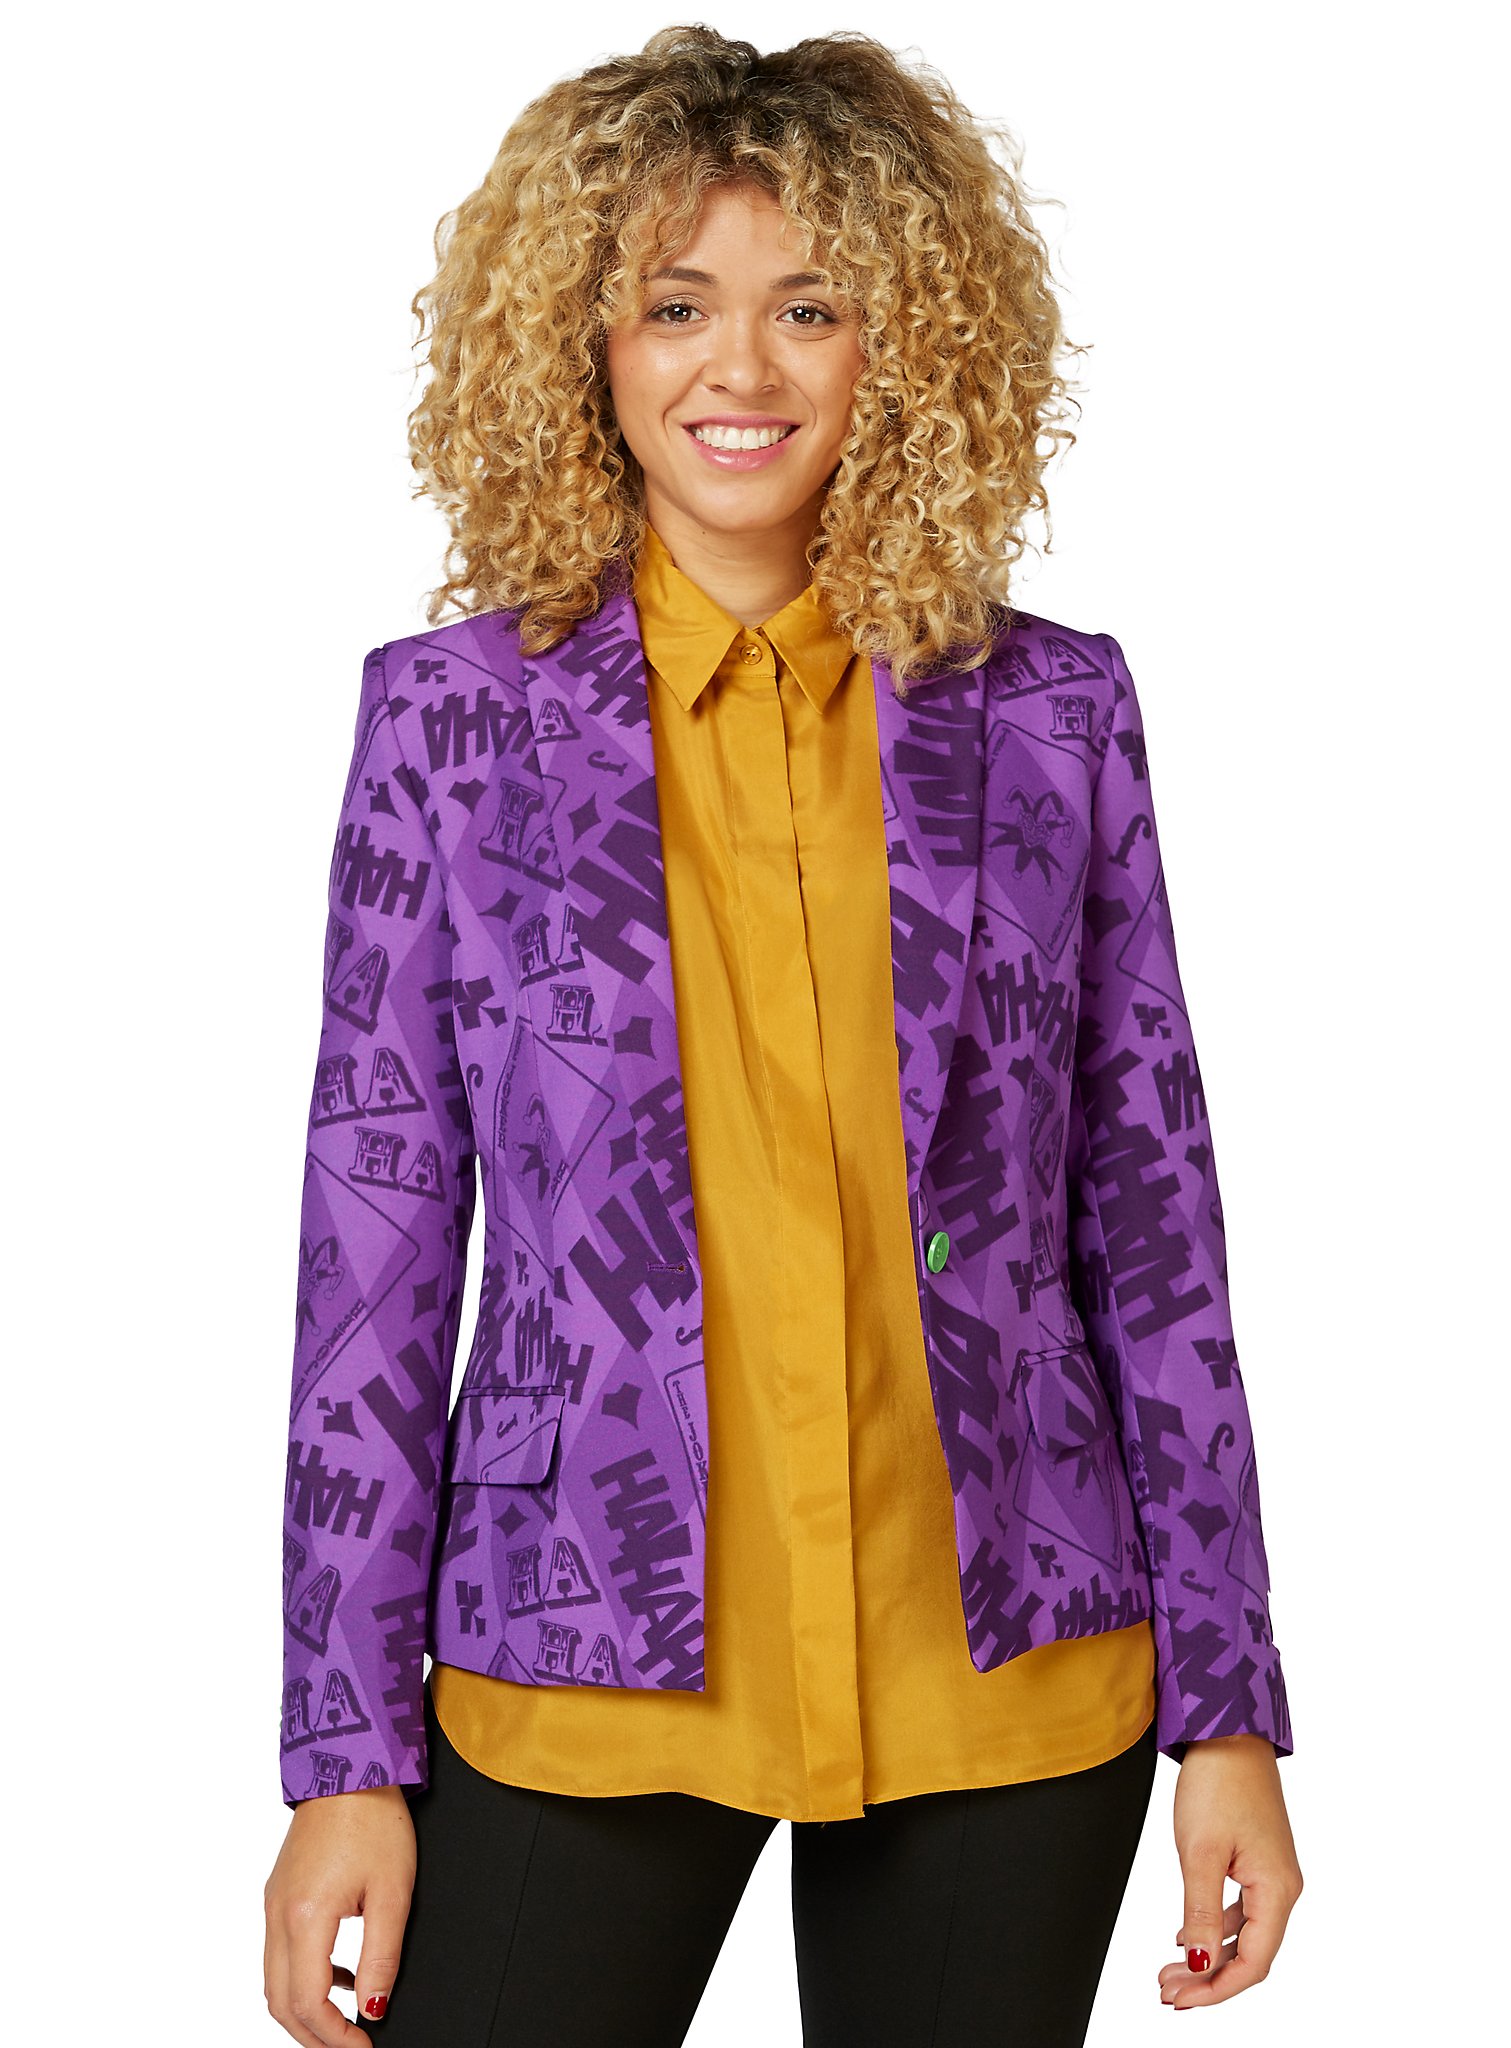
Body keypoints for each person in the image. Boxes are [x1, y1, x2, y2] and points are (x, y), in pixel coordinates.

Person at [264, 26, 1303, 2047]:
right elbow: (370, 1261)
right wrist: (340, 1758)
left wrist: (1233, 1711)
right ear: (581, 339)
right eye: (677, 304)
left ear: (902, 344)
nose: (739, 367)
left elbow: (1154, 1220)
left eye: (808, 307)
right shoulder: (449, 722)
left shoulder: (1054, 712)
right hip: (583, 1644)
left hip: (1010, 1661)